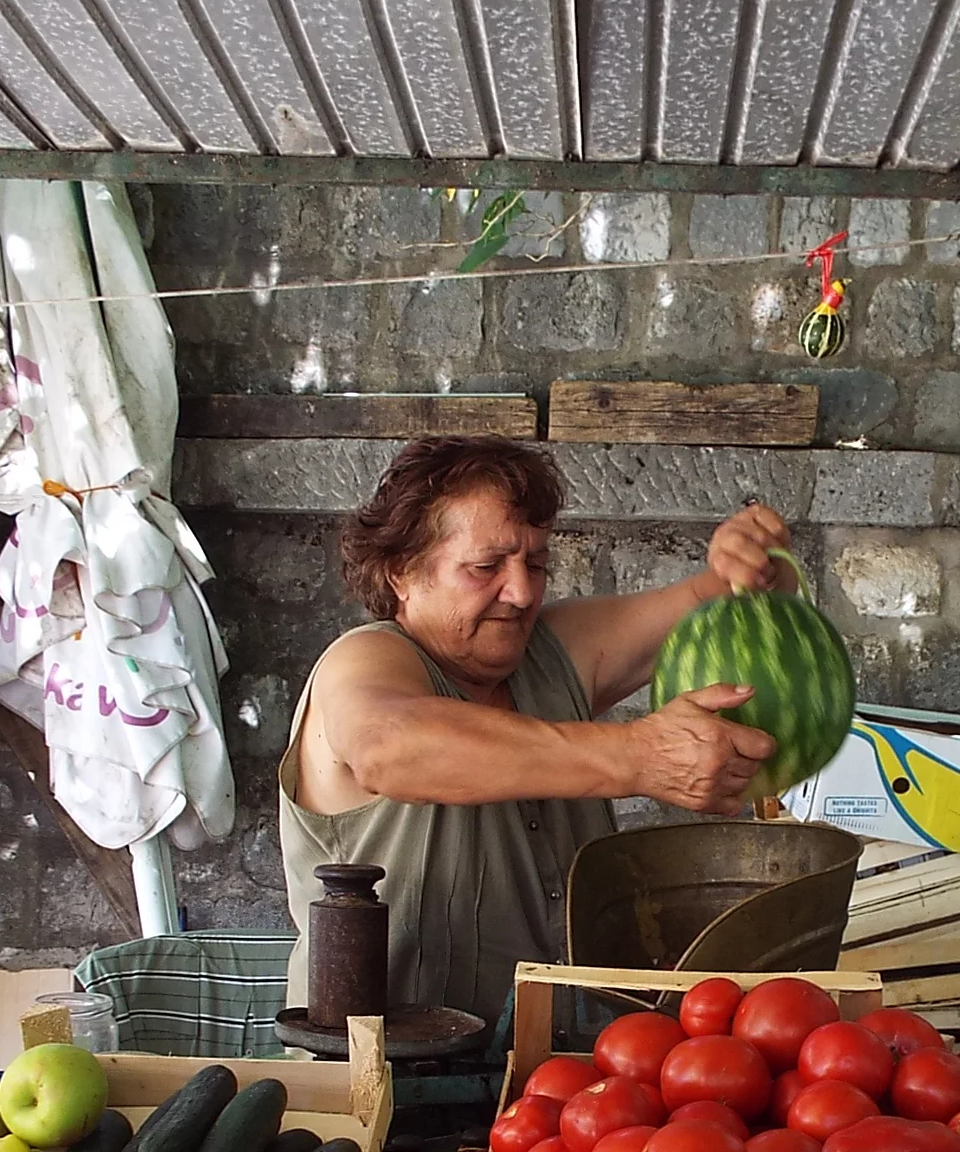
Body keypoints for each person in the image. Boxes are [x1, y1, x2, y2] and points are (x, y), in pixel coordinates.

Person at [279, 435, 794, 1027]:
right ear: (402, 572)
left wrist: (755, 564)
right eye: (485, 567)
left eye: (537, 563)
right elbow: (389, 747)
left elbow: (724, 608)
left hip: (556, 1071)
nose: (521, 592)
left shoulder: (550, 653)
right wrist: (638, 756)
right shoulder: (363, 662)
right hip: (386, 1081)